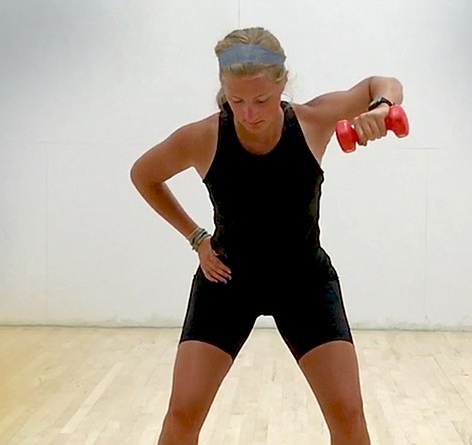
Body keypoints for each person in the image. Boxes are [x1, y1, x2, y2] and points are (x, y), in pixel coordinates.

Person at [130, 27, 403, 445]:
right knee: (182, 413)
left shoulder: (313, 121)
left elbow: (379, 84)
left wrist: (382, 108)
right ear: (223, 90)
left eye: (261, 100)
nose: (250, 112)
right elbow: (144, 175)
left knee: (348, 415)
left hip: (305, 283)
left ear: (282, 84)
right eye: (236, 100)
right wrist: (197, 238)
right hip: (227, 282)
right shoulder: (202, 137)